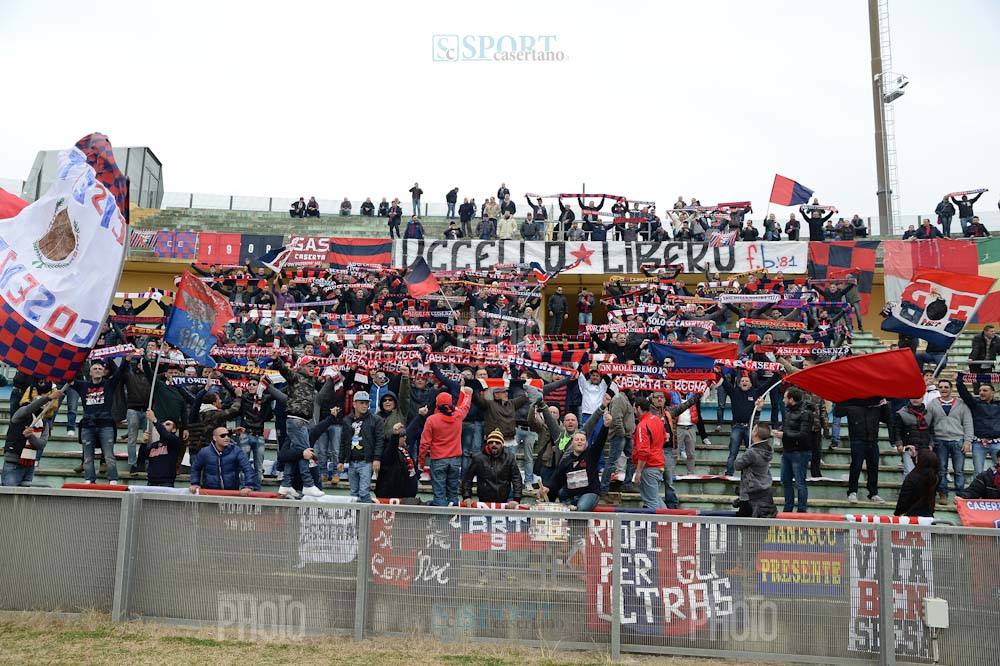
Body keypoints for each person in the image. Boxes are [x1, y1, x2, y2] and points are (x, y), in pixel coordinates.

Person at [272, 356, 323, 498]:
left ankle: (286, 485)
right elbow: (284, 370)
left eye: (314, 365)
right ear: (301, 366)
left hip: (302, 421)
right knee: (305, 452)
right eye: (309, 365)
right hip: (296, 420)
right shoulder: (295, 377)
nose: (312, 367)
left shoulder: (311, 381)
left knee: (296, 453)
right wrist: (276, 359)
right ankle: (308, 484)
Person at [540, 413, 612, 512]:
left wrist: (605, 426)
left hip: (589, 493)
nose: (579, 442)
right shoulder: (566, 461)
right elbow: (556, 479)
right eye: (577, 440)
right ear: (572, 444)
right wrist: (547, 488)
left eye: (582, 440)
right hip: (571, 495)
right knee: (561, 493)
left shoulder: (591, 455)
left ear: (586, 444)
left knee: (581, 508)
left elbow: (600, 442)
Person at [73, 360, 129, 485]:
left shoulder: (109, 384)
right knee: (88, 456)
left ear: (104, 372)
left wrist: (127, 359)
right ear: (90, 372)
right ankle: (89, 479)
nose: (97, 370)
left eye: (100, 368)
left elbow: (120, 372)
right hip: (88, 425)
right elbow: (68, 379)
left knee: (109, 455)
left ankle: (113, 480)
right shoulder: (83, 386)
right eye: (95, 369)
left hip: (106, 425)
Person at [420, 387, 473, 506]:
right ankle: (453, 521)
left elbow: (424, 444)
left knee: (439, 494)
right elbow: (465, 406)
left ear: (437, 404)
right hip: (455, 461)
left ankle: (441, 522)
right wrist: (468, 394)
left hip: (438, 460)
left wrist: (421, 462)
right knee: (453, 494)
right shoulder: (458, 416)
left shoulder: (431, 420)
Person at [927, 379, 973, 504]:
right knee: (941, 469)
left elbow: (968, 423)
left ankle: (960, 495)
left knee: (959, 470)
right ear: (938, 388)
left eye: (946, 387)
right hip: (940, 441)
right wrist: (930, 442)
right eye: (941, 387)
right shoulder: (933, 404)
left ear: (951, 388)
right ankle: (943, 494)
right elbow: (927, 424)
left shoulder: (961, 404)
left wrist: (967, 441)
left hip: (958, 440)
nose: (943, 389)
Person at [3, 388, 61, 487]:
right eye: (39, 401)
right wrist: (48, 398)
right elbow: (30, 408)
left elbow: (42, 444)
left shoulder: (44, 423)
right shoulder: (21, 413)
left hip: (29, 465)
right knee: (9, 497)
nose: (42, 405)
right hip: (14, 462)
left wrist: (31, 437)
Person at [835, 398, 887, 504]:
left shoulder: (876, 405)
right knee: (856, 466)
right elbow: (837, 412)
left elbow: (887, 418)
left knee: (873, 467)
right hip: (857, 440)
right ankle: (852, 492)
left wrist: (885, 405)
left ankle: (873, 493)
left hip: (873, 440)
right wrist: (842, 398)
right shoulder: (852, 403)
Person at [337, 391, 385, 503]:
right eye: (362, 403)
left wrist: (377, 459)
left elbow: (379, 441)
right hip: (352, 461)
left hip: (366, 461)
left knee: (363, 492)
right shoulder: (347, 420)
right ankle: (355, 519)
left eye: (366, 403)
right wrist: (340, 460)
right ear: (354, 404)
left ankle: (367, 517)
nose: (365, 406)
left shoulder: (376, 419)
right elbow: (343, 442)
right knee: (353, 493)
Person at [774, 387, 814, 513]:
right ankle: (788, 508)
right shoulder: (788, 411)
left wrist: (784, 435)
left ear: (791, 399)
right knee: (785, 480)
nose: (783, 400)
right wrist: (781, 432)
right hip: (787, 451)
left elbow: (804, 434)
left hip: (800, 452)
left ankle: (802, 510)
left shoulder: (805, 413)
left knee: (800, 482)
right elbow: (788, 427)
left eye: (785, 397)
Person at [461, 429, 522, 507]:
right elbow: (467, 479)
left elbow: (516, 479)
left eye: (497, 443)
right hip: (484, 501)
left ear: (502, 444)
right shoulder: (478, 458)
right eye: (491, 442)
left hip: (504, 500)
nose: (494, 445)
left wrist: (516, 499)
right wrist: (467, 497)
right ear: (487, 444)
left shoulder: (509, 458)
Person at [189, 426, 258, 494]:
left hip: (231, 492)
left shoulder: (236, 451)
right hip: (209, 493)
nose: (226, 438)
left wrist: (248, 486)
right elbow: (195, 468)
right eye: (222, 436)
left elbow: (247, 468)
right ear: (214, 438)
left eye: (228, 435)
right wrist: (195, 483)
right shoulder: (204, 452)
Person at [631, 396, 669, 509]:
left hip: (649, 466)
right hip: (658, 463)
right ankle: (671, 522)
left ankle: (657, 526)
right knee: (654, 498)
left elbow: (643, 451)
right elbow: (665, 438)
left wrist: (638, 472)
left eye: (634, 408)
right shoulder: (657, 419)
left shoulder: (642, 425)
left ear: (638, 408)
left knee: (651, 502)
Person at [956, 380, 1000, 475]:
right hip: (979, 443)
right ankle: (978, 490)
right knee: (978, 472)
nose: (981, 393)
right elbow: (965, 395)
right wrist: (959, 382)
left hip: (997, 443)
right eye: (980, 390)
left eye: (985, 390)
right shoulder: (975, 404)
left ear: (992, 392)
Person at [734, 423, 777, 518]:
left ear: (756, 433)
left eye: (753, 429)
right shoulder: (768, 450)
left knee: (747, 528)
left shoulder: (752, 453)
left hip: (750, 495)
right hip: (765, 493)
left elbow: (737, 465)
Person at [724, 374, 763, 476]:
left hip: (749, 428)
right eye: (742, 381)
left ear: (750, 384)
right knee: (733, 453)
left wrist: (776, 375)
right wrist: (719, 371)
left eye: (746, 381)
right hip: (737, 427)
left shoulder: (755, 393)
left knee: (751, 452)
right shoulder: (734, 392)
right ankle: (729, 473)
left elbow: (767, 385)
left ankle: (750, 474)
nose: (744, 382)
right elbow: (725, 383)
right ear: (739, 383)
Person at [893, 397, 939, 477]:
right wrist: (899, 444)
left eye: (918, 397)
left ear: (922, 398)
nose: (915, 399)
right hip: (909, 447)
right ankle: (908, 489)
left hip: (925, 448)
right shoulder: (901, 413)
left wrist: (931, 444)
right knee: (909, 473)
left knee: (924, 474)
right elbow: (897, 430)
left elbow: (932, 431)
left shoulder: (929, 413)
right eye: (913, 397)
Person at [374, 422, 417, 500]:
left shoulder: (405, 450)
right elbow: (392, 449)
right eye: (402, 436)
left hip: (407, 495)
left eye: (405, 436)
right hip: (392, 496)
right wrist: (395, 434)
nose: (405, 438)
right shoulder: (389, 451)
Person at [894, 449, 939, 517]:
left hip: (911, 516)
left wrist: (897, 513)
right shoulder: (935, 478)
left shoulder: (912, 478)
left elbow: (903, 499)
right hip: (928, 515)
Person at [143, 408, 182, 487]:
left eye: (168, 424)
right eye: (163, 424)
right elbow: (142, 457)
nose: (164, 425)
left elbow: (166, 435)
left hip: (166, 483)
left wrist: (154, 420)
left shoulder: (175, 441)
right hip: (151, 482)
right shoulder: (154, 445)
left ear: (174, 429)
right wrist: (143, 443)